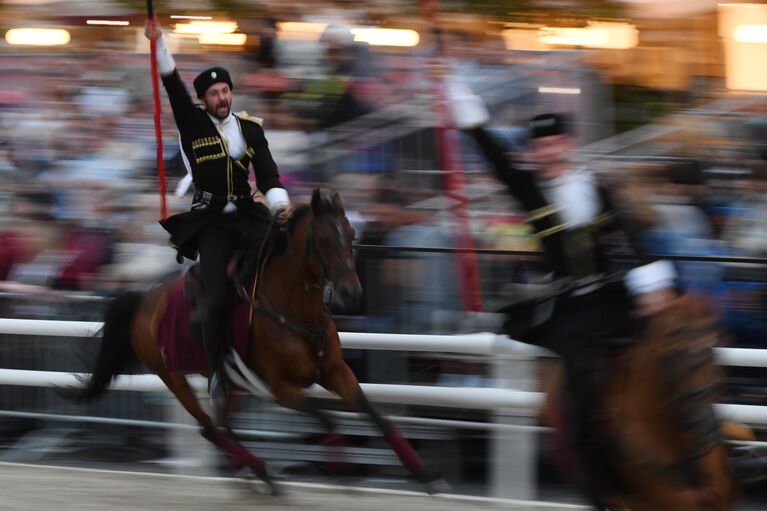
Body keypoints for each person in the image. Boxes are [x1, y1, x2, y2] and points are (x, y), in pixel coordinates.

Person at [446, 77, 680, 503]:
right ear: (534, 152)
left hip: (615, 297)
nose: (547, 152)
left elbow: (633, 237)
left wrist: (655, 285)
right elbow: (494, 156)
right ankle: (598, 483)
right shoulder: (530, 190)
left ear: (568, 144)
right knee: (582, 392)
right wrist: (463, 102)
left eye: (554, 143)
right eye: (540, 147)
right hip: (570, 309)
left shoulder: (598, 187)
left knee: (678, 353)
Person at [145, 20, 293, 420]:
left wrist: (280, 204)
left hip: (249, 213)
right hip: (213, 222)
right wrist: (159, 43)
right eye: (214, 93)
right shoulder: (192, 124)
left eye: (225, 90)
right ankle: (216, 374)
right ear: (204, 99)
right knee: (213, 299)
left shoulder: (250, 129)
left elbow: (268, 174)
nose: (222, 97)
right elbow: (171, 82)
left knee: (292, 253)